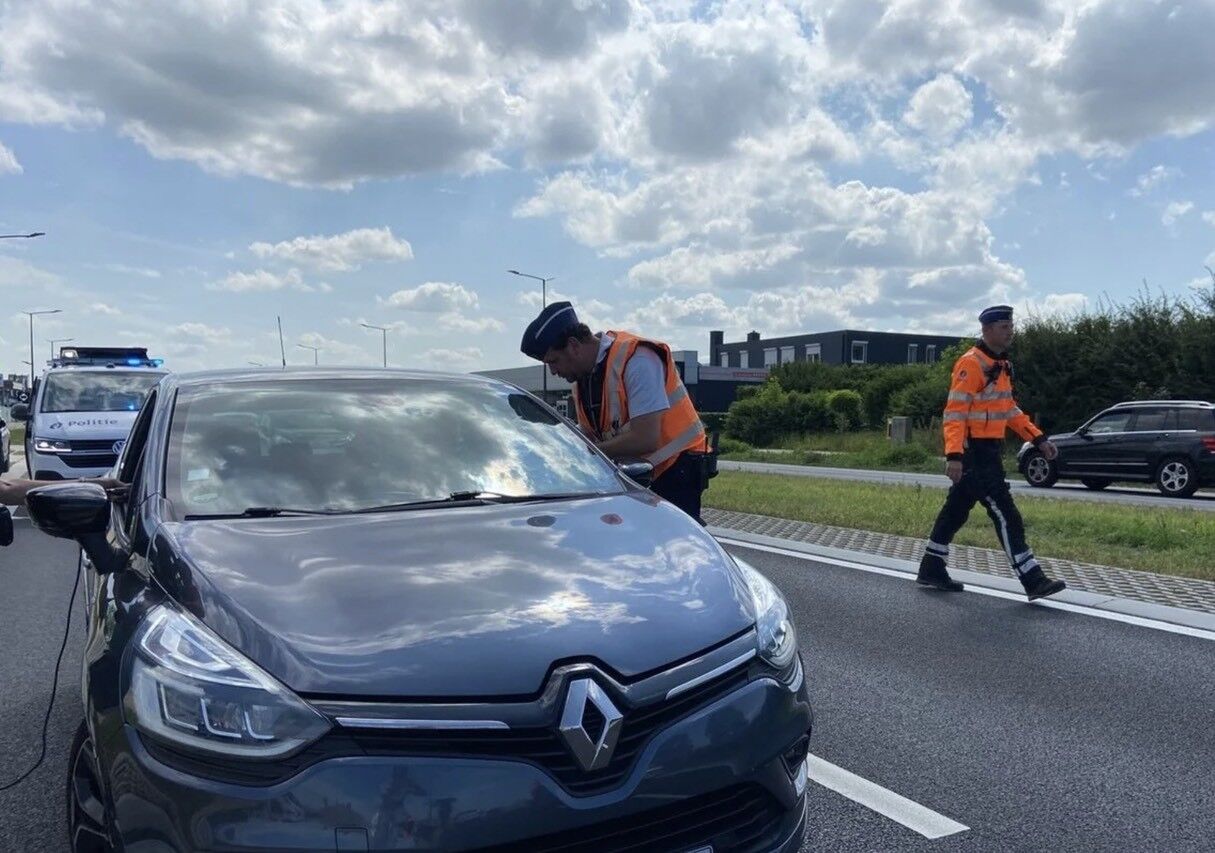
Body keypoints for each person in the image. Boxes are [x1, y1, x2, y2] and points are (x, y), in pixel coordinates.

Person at [916, 305, 1068, 601]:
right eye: (1003, 327)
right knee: (1005, 512)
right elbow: (955, 413)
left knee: (956, 510)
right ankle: (1032, 578)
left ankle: (932, 566)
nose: (1010, 332)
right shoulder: (971, 363)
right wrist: (954, 455)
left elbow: (1008, 409)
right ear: (986, 330)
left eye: (1011, 326)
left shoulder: (1001, 365)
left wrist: (1038, 439)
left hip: (987, 450)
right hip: (975, 452)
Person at [520, 302, 711, 522]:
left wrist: (586, 455)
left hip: (676, 471)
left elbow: (646, 438)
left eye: (554, 361)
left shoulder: (637, 360)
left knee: (670, 541)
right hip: (636, 477)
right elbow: (592, 434)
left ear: (573, 345)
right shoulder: (583, 381)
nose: (553, 371)